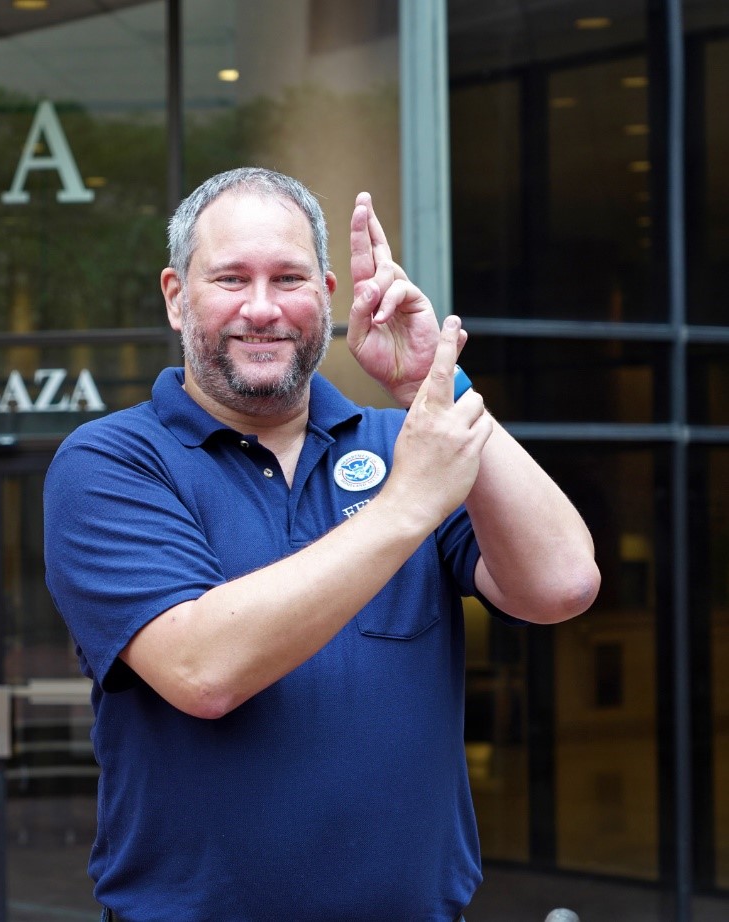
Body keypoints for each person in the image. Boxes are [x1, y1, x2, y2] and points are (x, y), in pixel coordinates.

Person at [42, 167, 600, 922]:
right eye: (231, 279)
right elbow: (202, 671)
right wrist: (404, 506)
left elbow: (560, 583)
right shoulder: (112, 461)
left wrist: (436, 387)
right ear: (176, 297)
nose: (263, 308)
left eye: (289, 278)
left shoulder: (405, 443)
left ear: (329, 295)